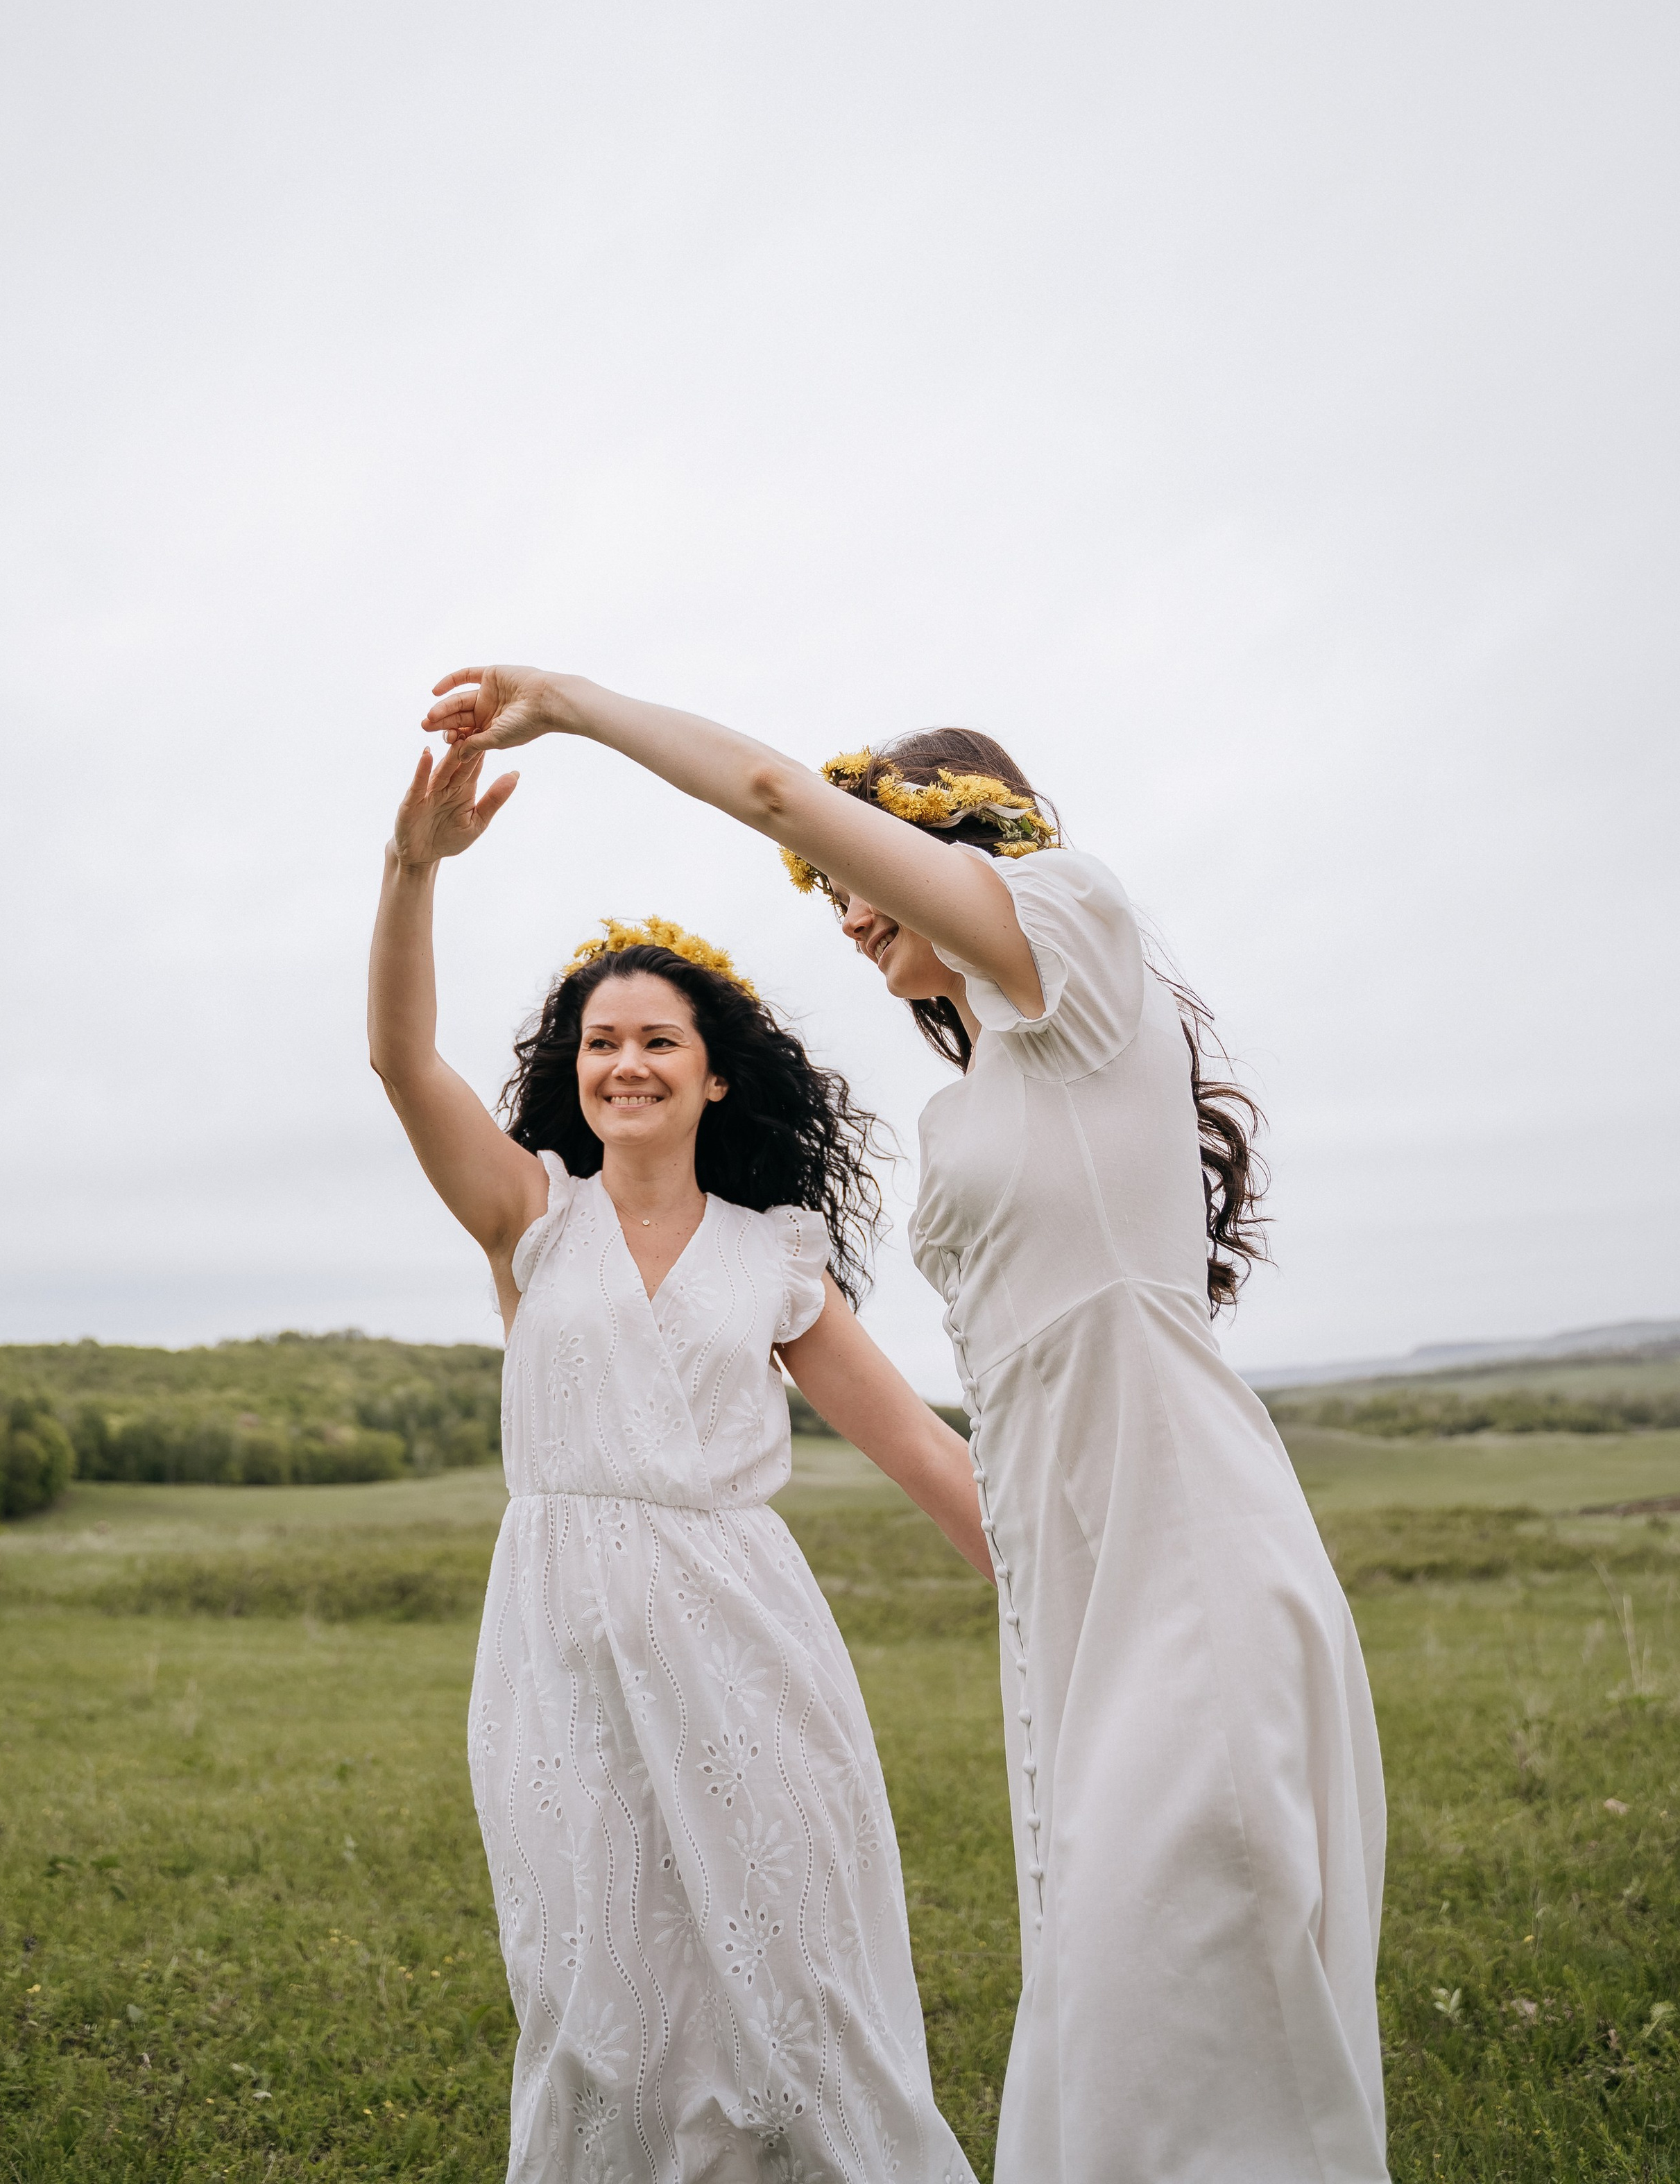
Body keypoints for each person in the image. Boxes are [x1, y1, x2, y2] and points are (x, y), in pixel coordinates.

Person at [420, 672, 1392, 2184]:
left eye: (858, 879)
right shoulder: (982, 1088)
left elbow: (767, 793)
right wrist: (1006, 1553)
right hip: (1063, 1544)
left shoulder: (1075, 927)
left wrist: (569, 705)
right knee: (1102, 1970)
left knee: (1181, 1937)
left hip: (1171, 1526)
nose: (848, 916)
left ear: (952, 845)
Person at [368, 734, 984, 2184]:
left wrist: (1058, 1579)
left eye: (657, 1040)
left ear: (713, 1080)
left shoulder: (773, 1254)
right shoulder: (530, 1216)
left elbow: (912, 1443)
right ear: (570, 1075)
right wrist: (412, 868)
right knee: (597, 1991)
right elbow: (399, 1059)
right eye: (600, 1040)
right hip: (559, 1634)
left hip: (744, 1629)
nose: (626, 1060)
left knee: (795, 1959)